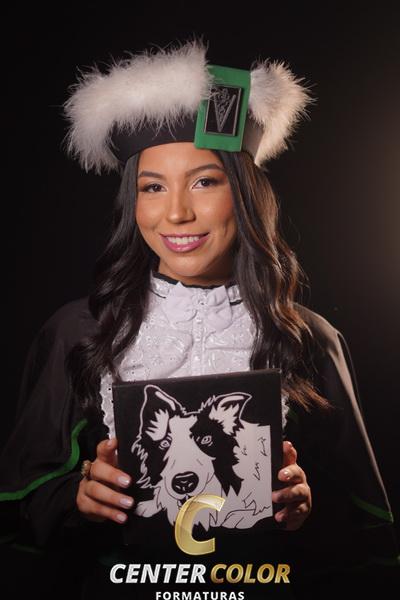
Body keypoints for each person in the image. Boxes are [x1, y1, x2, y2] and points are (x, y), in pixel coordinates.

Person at [0, 39, 398, 599]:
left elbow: (363, 531)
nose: (177, 212)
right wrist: (79, 497)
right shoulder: (78, 332)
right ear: (133, 203)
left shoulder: (310, 338)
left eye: (205, 181)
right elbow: (21, 501)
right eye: (153, 187)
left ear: (245, 194)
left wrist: (306, 508)